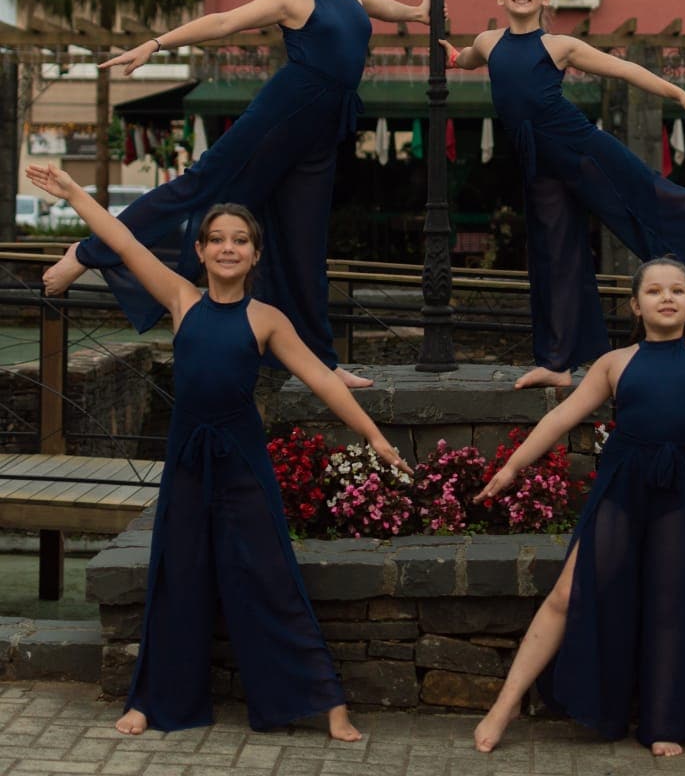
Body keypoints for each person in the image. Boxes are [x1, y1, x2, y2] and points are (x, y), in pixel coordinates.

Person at [28, 161, 413, 739]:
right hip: (186, 461)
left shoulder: (268, 320)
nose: (228, 249)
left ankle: (326, 702)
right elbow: (124, 240)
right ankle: (151, 702)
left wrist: (376, 437)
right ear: (202, 252)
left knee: (270, 576)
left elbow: (323, 380)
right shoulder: (182, 301)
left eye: (240, 241)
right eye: (217, 241)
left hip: (242, 464)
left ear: (255, 256)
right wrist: (74, 193)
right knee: (175, 578)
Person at [471, 196, 685, 757]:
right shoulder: (615, 363)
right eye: (654, 290)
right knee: (568, 592)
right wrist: (513, 467)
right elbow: (563, 416)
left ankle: (663, 723)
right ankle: (505, 704)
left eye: (677, 291)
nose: (667, 297)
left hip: (676, 493)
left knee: (668, 606)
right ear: (635, 305)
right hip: (621, 487)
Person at [43, 0, 429, 389]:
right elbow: (223, 22)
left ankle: (320, 364)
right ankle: (87, 252)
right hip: (283, 115)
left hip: (321, 133)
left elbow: (377, 7)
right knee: (199, 186)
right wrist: (156, 44)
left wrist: (415, 12)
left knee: (305, 247)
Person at [442, 0, 685, 389]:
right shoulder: (489, 41)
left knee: (660, 199)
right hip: (539, 167)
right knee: (555, 257)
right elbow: (471, 59)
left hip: (583, 149)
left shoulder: (559, 46)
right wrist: (454, 58)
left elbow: (625, 69)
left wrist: (678, 93)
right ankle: (557, 362)